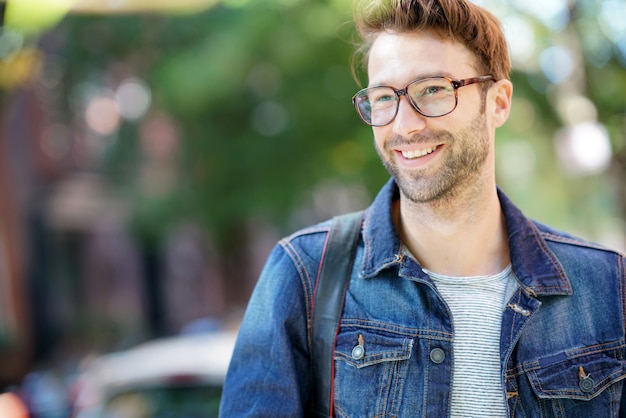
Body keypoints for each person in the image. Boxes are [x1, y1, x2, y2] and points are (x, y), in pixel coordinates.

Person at [219, 0, 626, 416]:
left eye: (432, 89)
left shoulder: (609, 287)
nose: (404, 125)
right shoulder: (306, 274)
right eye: (383, 98)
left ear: (499, 102)